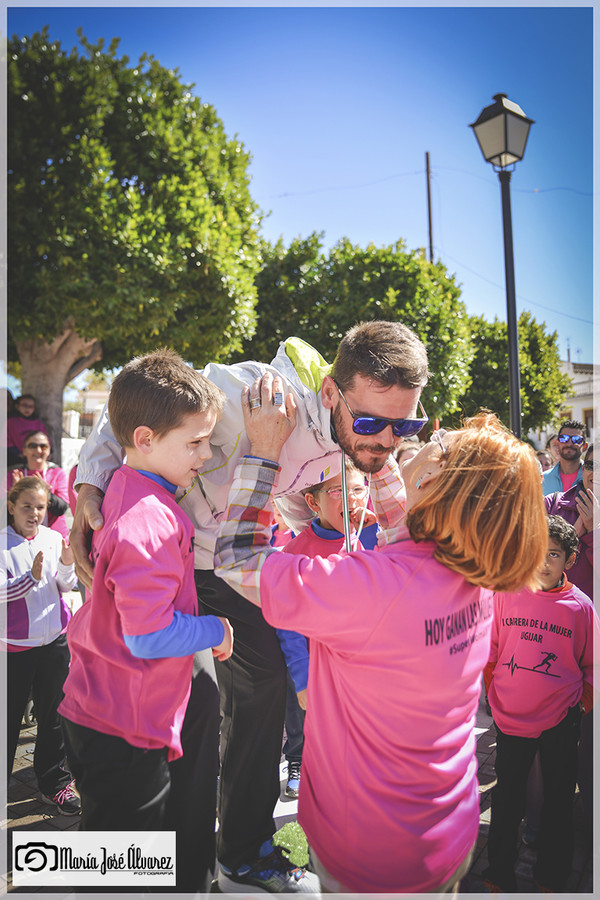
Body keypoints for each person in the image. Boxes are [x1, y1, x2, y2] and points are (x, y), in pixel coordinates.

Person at [70, 321, 429, 893]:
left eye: (404, 426)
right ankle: (120, 864)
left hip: (225, 561)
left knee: (252, 695)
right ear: (331, 392)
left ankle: (228, 855)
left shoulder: (363, 444)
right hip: (165, 560)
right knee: (174, 713)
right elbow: (138, 403)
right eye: (370, 423)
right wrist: (88, 486)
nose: (386, 440)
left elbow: (378, 504)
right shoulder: (253, 393)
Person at [214, 380, 548, 894]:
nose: (414, 440)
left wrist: (262, 451)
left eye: (434, 441)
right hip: (448, 832)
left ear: (433, 478)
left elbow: (237, 559)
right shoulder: (473, 571)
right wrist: (376, 443)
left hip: (369, 856)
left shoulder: (374, 588)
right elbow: (399, 525)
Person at [58, 350, 233, 886]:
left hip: (112, 711)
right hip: (122, 729)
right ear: (144, 439)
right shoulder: (149, 522)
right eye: (195, 442)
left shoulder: (127, 488)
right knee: (118, 873)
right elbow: (149, 635)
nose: (207, 453)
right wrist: (215, 629)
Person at [482, 516, 599, 893]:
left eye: (554, 554)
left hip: (560, 721)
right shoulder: (505, 593)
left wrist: (580, 706)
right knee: (507, 799)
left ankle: (552, 878)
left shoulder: (581, 607)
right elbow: (491, 649)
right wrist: (494, 692)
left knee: (558, 801)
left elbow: (593, 664)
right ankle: (498, 875)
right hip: (511, 718)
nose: (544, 562)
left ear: (569, 559)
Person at [277, 459, 380, 799]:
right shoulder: (296, 552)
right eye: (337, 491)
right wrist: (301, 675)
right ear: (313, 502)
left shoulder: (371, 536)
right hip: (311, 667)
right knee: (305, 729)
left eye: (358, 489)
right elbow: (288, 622)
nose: (351, 499)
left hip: (357, 670)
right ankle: (299, 764)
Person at [1, 477, 80, 815]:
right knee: (7, 721)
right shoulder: (2, 544)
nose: (34, 513)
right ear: (11, 508)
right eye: (26, 507)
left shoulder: (52, 537)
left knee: (54, 717)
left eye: (40, 507)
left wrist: (66, 563)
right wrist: (29, 578)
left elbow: (66, 585)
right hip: (14, 648)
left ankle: (55, 784)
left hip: (55, 643)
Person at [6, 431, 70, 538]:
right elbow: (4, 512)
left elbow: (61, 508)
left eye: (43, 446)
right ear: (24, 450)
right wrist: (15, 494)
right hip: (19, 538)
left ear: (49, 450)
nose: (38, 450)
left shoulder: (58, 473)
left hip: (53, 538)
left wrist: (46, 493)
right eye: (32, 446)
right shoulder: (13, 474)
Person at [542, 420, 587, 497]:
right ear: (557, 444)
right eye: (564, 438)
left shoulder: (592, 479)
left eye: (576, 439)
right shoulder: (542, 480)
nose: (569, 444)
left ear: (585, 446)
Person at [2, 393, 47, 467]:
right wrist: (17, 453)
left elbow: (45, 440)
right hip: (16, 459)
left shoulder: (38, 424)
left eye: (31, 406)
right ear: (17, 406)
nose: (27, 409)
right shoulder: (10, 422)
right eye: (24, 405)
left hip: (35, 459)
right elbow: (5, 440)